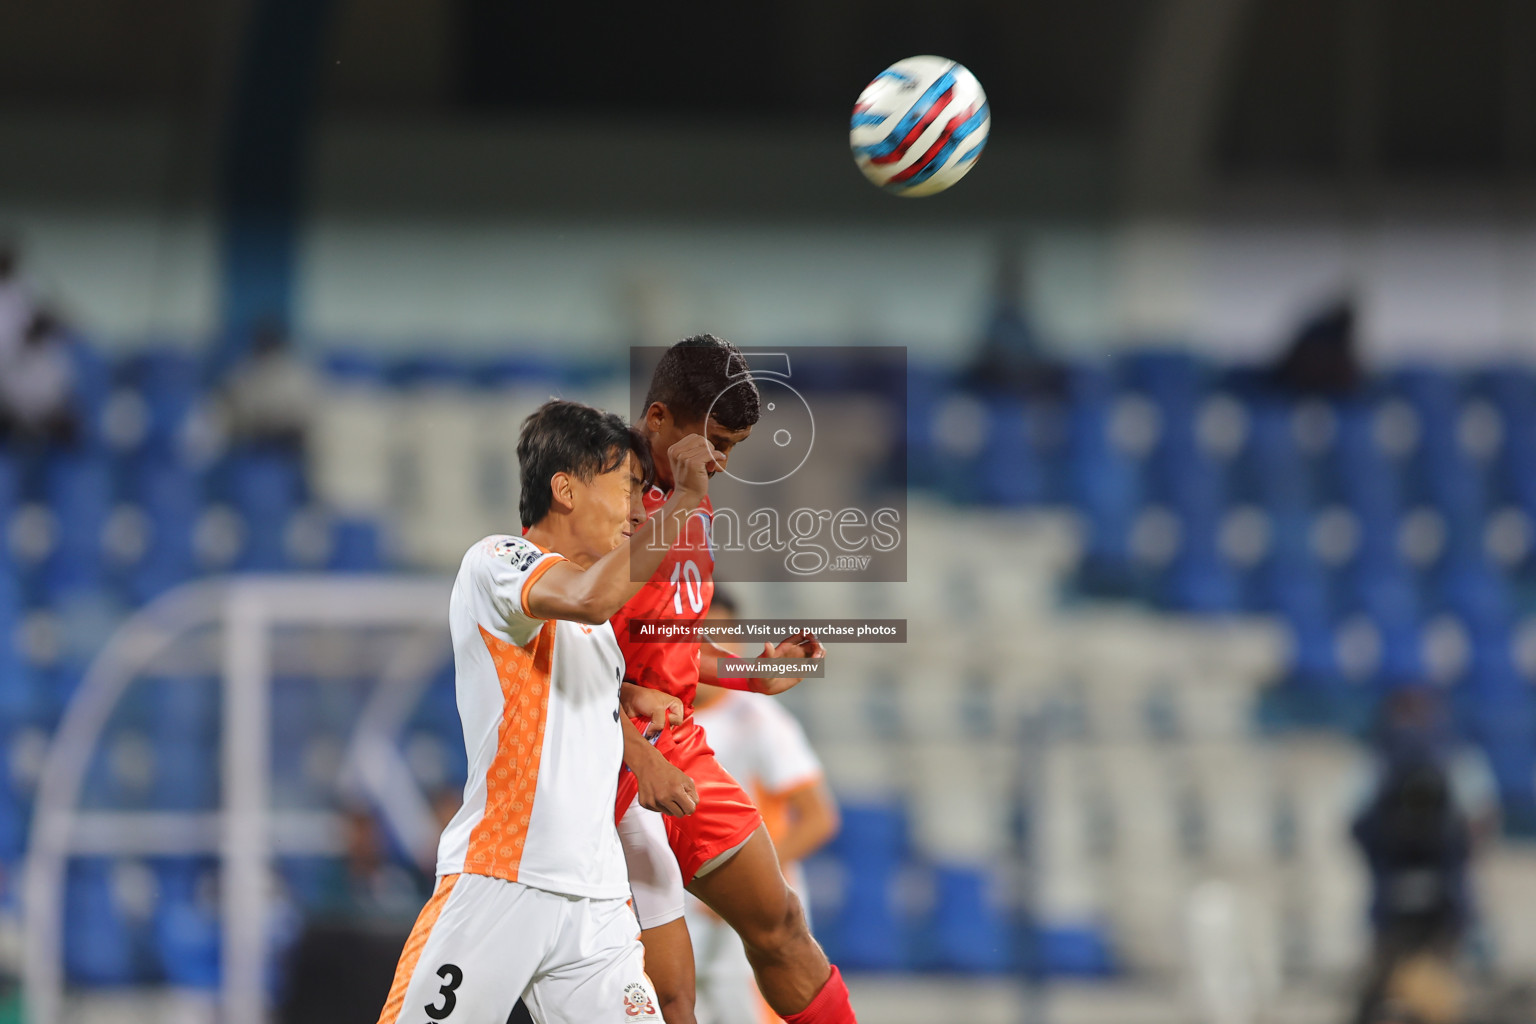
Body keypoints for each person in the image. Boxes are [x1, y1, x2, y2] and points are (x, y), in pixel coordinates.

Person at [375, 399, 707, 1024]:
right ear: (565, 489)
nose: (639, 511)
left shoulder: (599, 632)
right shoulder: (498, 563)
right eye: (628, 490)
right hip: (503, 878)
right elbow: (587, 599)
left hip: (596, 900)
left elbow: (577, 702)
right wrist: (685, 500)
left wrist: (634, 718)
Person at [611, 335, 855, 1024]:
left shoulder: (693, 500)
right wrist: (634, 748)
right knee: (662, 997)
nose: (720, 462)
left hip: (676, 748)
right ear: (657, 418)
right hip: (601, 756)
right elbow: (567, 648)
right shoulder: (601, 498)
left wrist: (755, 674)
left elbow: (669, 644)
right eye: (713, 440)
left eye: (733, 448)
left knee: (780, 923)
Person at [687, 589, 841, 1024]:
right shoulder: (656, 710)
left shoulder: (758, 719)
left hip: (747, 907)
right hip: (684, 903)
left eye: (719, 634)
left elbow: (818, 818)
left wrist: (746, 879)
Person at [1350, 689, 1493, 1024]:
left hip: (1444, 897)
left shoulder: (1458, 760)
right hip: (1391, 897)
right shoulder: (1375, 764)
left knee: (1437, 989)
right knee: (1388, 985)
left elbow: (1477, 824)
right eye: (1406, 716)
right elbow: (1357, 826)